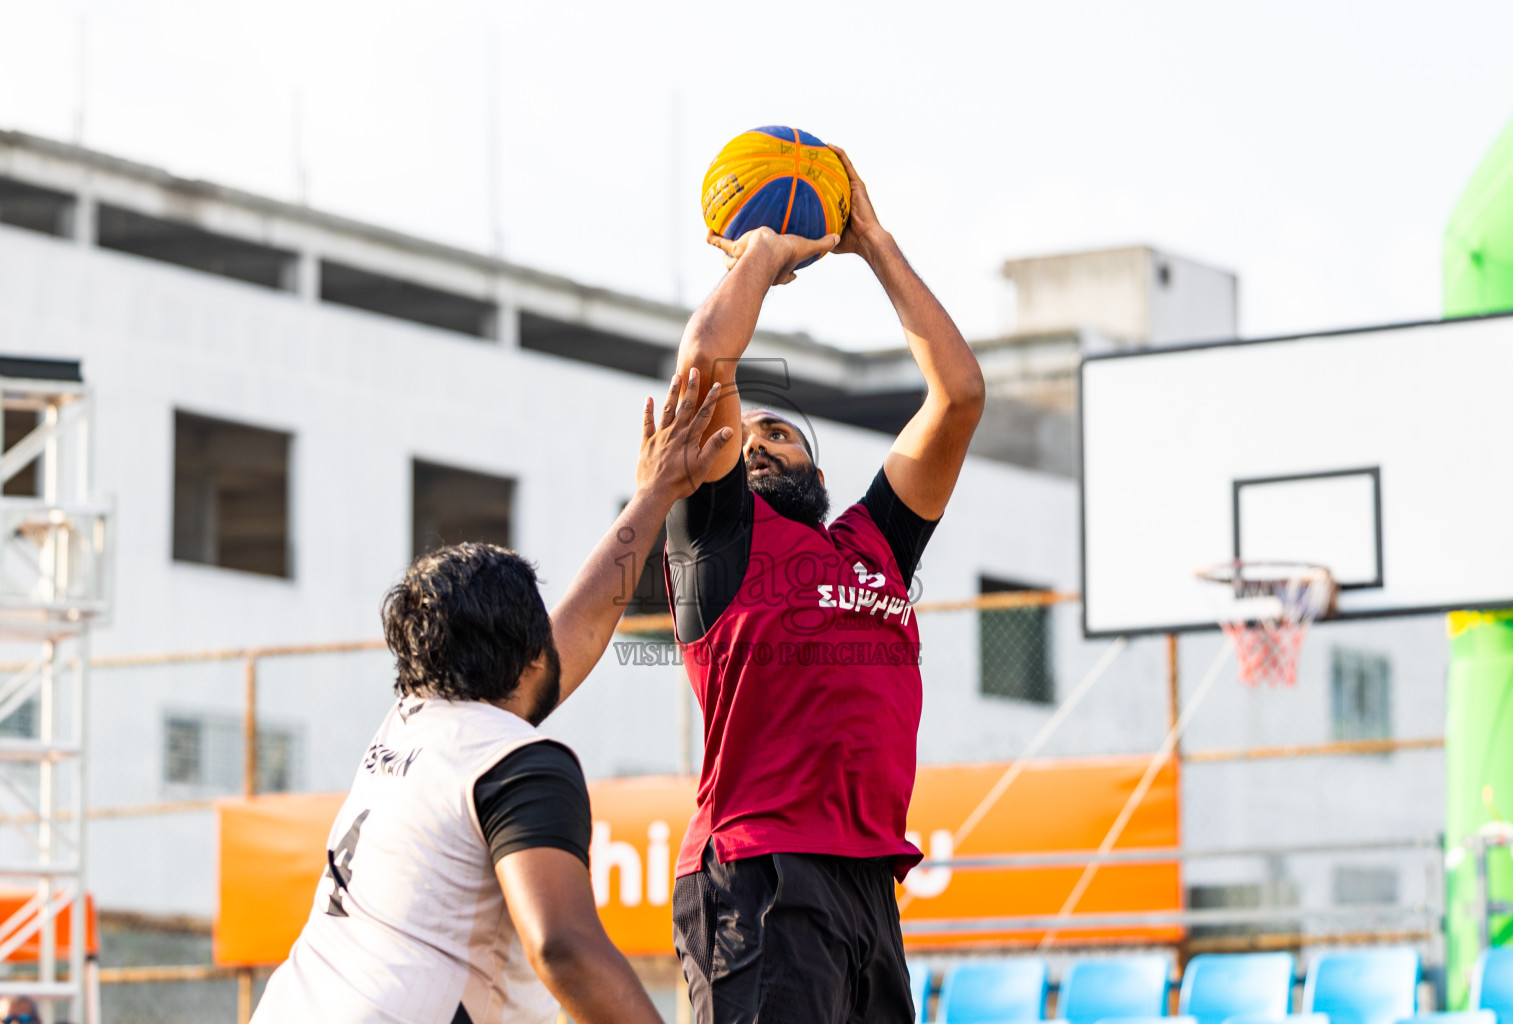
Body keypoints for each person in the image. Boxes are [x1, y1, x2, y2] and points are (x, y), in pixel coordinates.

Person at [253, 370, 734, 1024]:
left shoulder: (408, 725)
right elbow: (564, 948)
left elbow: (578, 628)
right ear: (532, 660)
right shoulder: (521, 764)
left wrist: (655, 492)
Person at [665, 146, 986, 1023]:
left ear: (817, 470)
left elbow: (957, 395)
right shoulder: (722, 537)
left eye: (784, 436)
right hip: (761, 872)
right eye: (749, 436)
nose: (762, 442)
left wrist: (872, 242)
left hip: (867, 883)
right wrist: (766, 248)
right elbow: (706, 356)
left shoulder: (872, 544)